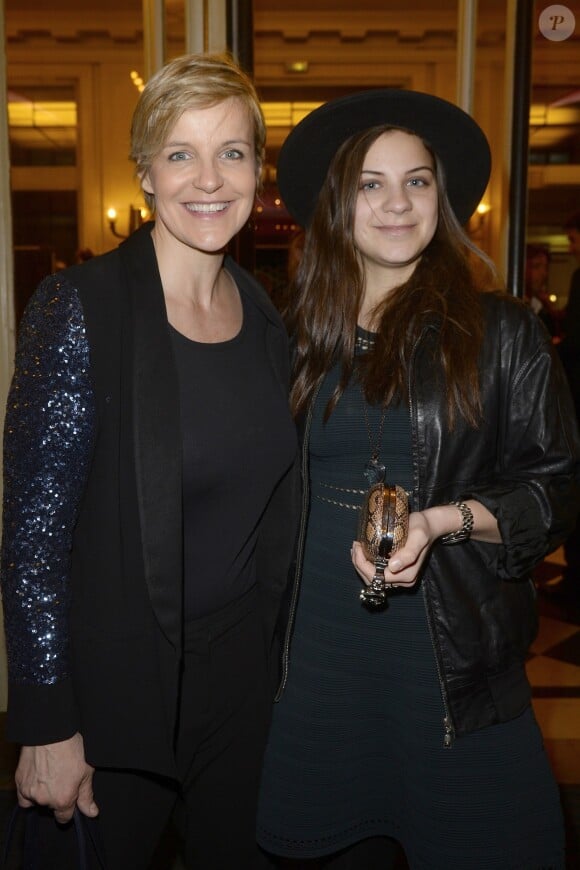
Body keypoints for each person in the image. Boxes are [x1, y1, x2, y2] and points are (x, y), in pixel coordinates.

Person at [256, 89, 580, 869]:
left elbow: (557, 490)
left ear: (442, 198)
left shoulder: (502, 334)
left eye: (417, 180)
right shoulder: (291, 337)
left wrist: (444, 522)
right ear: (340, 204)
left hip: (453, 673)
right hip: (319, 672)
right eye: (371, 183)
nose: (396, 202)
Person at [1, 52, 299, 869]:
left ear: (257, 170)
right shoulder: (82, 308)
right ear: (144, 175)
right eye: (180, 153)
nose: (209, 179)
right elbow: (32, 539)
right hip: (112, 698)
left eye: (232, 152)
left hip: (242, 690)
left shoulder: (267, 313)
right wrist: (44, 721)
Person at [524, 242, 561, 340]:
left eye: (545, 267)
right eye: (536, 266)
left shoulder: (542, 307)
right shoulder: (514, 305)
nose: (544, 273)